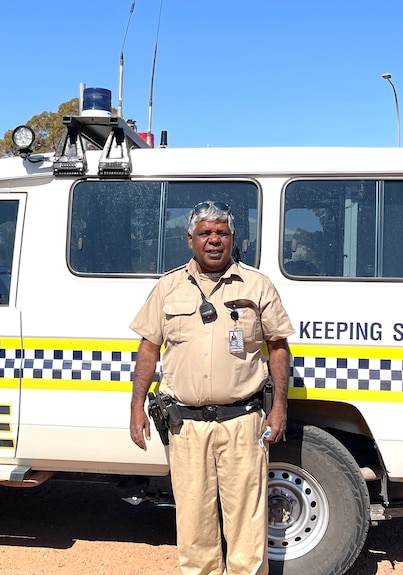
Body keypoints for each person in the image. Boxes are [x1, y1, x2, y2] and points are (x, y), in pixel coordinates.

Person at [129, 200, 294, 575]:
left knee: (247, 529)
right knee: (194, 527)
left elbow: (278, 347)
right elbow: (149, 347)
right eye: (205, 233)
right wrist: (137, 406)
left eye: (221, 233)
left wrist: (280, 406)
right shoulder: (168, 287)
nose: (214, 240)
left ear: (233, 238)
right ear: (190, 240)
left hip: (243, 423)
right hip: (185, 426)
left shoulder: (257, 285)